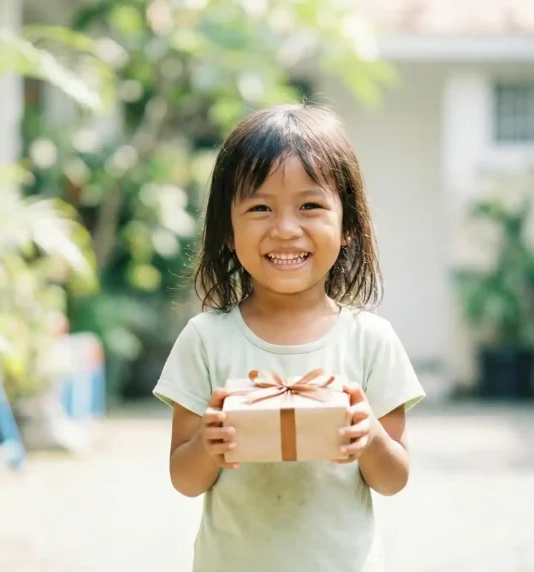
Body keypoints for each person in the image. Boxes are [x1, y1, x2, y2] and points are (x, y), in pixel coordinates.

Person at [152, 103, 425, 572]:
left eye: (310, 206)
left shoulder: (371, 340)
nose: (285, 229)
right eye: (260, 207)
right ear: (226, 230)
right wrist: (208, 446)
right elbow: (184, 478)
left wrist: (369, 437)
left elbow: (393, 478)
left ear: (349, 227)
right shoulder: (205, 339)